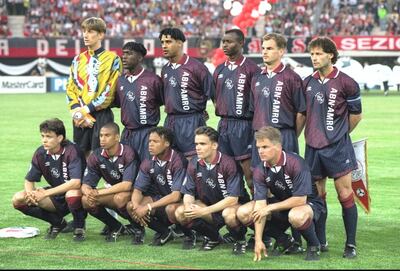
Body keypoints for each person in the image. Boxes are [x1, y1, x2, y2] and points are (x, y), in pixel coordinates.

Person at [304, 37, 362, 258]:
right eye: (312, 54)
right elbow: (302, 114)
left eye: (318, 54)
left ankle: (351, 244)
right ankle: (321, 240)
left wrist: (338, 134)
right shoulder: (307, 82)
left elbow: (356, 116)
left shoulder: (347, 82)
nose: (314, 58)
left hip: (338, 148)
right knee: (318, 196)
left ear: (331, 55)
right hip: (313, 148)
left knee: (344, 194)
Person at [250, 32, 307, 251]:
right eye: (263, 48)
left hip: (285, 137)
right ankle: (268, 237)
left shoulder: (292, 77)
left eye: (270, 48)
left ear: (281, 51)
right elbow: (253, 111)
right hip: (260, 140)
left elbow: (301, 112)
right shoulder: (257, 77)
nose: (264, 51)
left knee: (291, 188)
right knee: (262, 188)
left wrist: (290, 137)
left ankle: (298, 240)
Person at [236, 126, 324, 261]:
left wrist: (269, 208)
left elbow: (300, 200)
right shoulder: (260, 169)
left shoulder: (296, 163)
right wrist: (259, 240)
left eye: (265, 147)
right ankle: (284, 240)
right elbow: (260, 205)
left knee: (296, 215)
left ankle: (314, 245)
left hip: (308, 203)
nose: (260, 151)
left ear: (278, 146)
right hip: (282, 204)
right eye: (258, 147)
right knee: (244, 212)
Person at [175, 126, 250, 254]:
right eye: (196, 144)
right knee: (181, 212)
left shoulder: (229, 164)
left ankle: (240, 240)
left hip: (231, 206)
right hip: (208, 207)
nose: (198, 147)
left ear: (214, 145)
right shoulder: (193, 163)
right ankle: (213, 238)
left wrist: (204, 211)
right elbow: (188, 192)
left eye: (202, 144)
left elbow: (233, 199)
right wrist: (188, 206)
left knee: (229, 215)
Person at [12, 118, 87, 241]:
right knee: (18, 199)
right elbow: (29, 180)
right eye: (42, 136)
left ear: (60, 138)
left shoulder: (72, 151)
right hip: (55, 195)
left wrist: (45, 193)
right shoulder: (40, 153)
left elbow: (75, 182)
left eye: (49, 136)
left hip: (77, 194)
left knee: (71, 194)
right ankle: (58, 222)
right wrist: (31, 194)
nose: (44, 140)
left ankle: (79, 226)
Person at [212, 28, 261, 195]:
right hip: (224, 126)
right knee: (227, 175)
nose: (225, 45)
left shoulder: (252, 69)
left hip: (244, 126)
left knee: (250, 176)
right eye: (223, 42)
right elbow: (214, 97)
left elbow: (257, 101)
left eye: (229, 41)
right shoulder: (219, 70)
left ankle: (258, 216)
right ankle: (239, 213)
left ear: (241, 43)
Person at [66, 17, 122, 158]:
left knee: (104, 155)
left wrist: (86, 110)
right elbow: (70, 87)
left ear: (101, 34)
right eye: (84, 31)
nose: (85, 35)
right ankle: (82, 181)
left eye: (90, 31)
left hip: (101, 114)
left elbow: (110, 89)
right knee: (80, 154)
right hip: (79, 115)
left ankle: (109, 181)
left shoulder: (113, 59)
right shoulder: (77, 60)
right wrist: (76, 111)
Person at [127, 127, 190, 246]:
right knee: (131, 206)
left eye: (155, 142)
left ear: (167, 143)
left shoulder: (178, 161)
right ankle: (164, 232)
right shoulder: (148, 161)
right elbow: (137, 190)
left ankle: (189, 235)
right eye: (150, 141)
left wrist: (148, 207)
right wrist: (136, 207)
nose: (150, 145)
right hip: (160, 199)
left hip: (179, 202)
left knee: (170, 209)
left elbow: (176, 196)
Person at [81, 122, 142, 242]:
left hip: (134, 192)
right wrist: (89, 192)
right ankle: (116, 226)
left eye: (107, 135)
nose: (102, 139)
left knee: (120, 198)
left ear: (117, 137)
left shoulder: (128, 153)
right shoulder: (96, 155)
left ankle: (138, 228)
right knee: (86, 200)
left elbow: (127, 185)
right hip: (112, 191)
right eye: (101, 136)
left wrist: (98, 193)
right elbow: (85, 184)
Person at [159, 27, 214, 159]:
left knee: (192, 164)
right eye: (162, 42)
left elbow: (213, 93)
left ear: (180, 43)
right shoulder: (165, 69)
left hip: (191, 122)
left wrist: (200, 113)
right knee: (171, 164)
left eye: (168, 42)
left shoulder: (197, 67)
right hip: (170, 121)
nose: (164, 46)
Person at [114, 42, 163, 163]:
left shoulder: (153, 80)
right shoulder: (120, 81)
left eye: (129, 54)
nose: (124, 57)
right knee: (126, 171)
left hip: (147, 134)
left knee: (147, 171)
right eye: (123, 54)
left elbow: (163, 101)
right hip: (127, 134)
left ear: (140, 57)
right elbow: (118, 103)